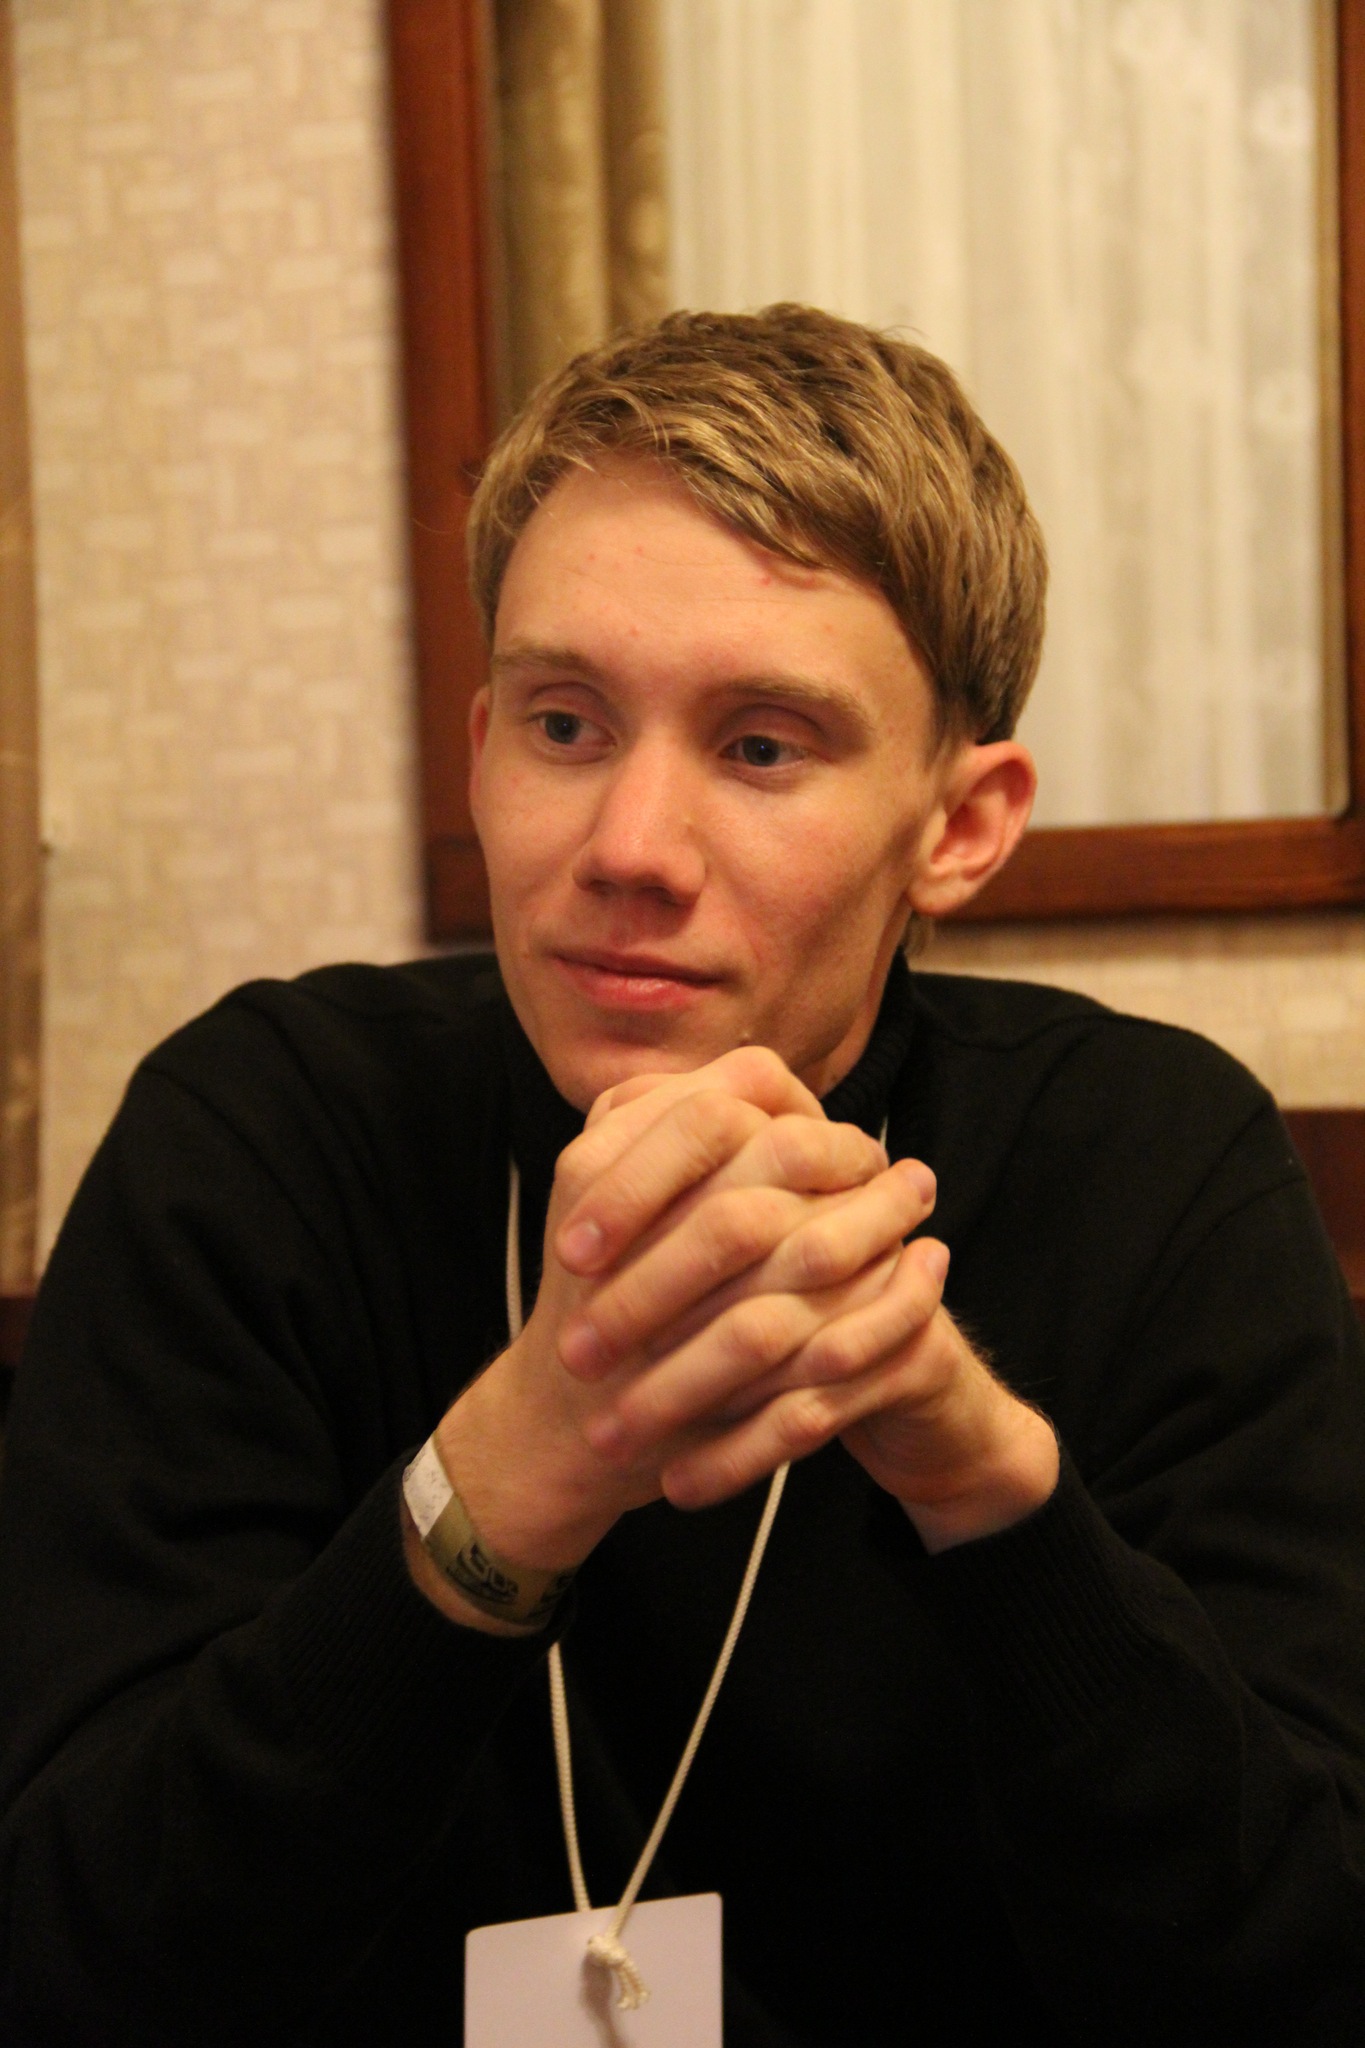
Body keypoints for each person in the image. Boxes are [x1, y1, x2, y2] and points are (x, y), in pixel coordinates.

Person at [1, 304, 1363, 2047]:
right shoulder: (259, 1134)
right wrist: (517, 1462)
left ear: (959, 825)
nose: (628, 849)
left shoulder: (1158, 1165)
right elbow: (73, 1966)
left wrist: (982, 1482)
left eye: (760, 746)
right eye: (565, 725)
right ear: (480, 747)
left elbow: (1296, 1972)